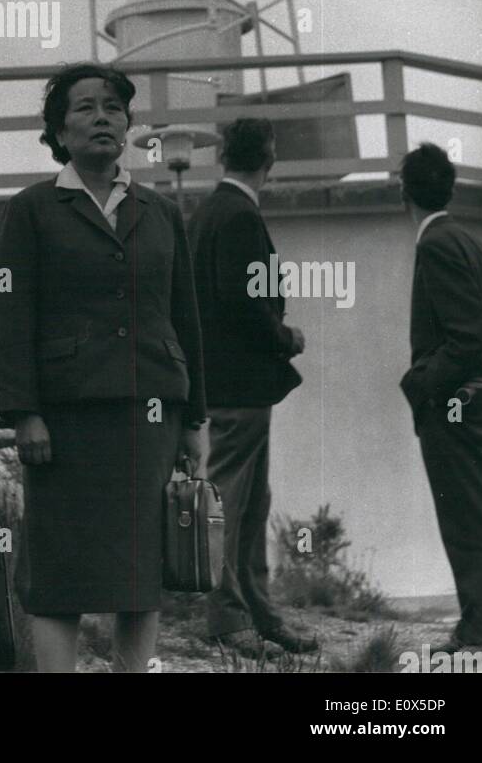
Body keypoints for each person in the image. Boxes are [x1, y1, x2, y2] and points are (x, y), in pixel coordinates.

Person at [0, 63, 207, 674]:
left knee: (141, 570)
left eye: (113, 107)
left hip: (151, 415)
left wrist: (195, 417)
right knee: (59, 571)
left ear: (128, 125)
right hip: (65, 421)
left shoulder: (159, 213)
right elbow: (10, 318)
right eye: (85, 108)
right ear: (59, 131)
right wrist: (26, 412)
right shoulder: (31, 210)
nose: (102, 117)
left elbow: (184, 318)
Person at [187, 117, 315, 658]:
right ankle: (231, 617)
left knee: (249, 503)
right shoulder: (239, 215)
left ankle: (256, 612)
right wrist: (286, 336)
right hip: (240, 387)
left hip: (222, 385)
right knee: (235, 504)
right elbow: (242, 301)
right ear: (270, 158)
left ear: (223, 155)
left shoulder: (209, 212)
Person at [399, 143, 482, 651]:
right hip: (479, 400)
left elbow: (464, 338)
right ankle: (481, 623)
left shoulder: (434, 244)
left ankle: (480, 629)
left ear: (403, 193)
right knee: (480, 512)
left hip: (453, 407)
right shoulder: (470, 242)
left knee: (465, 520)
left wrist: (418, 384)